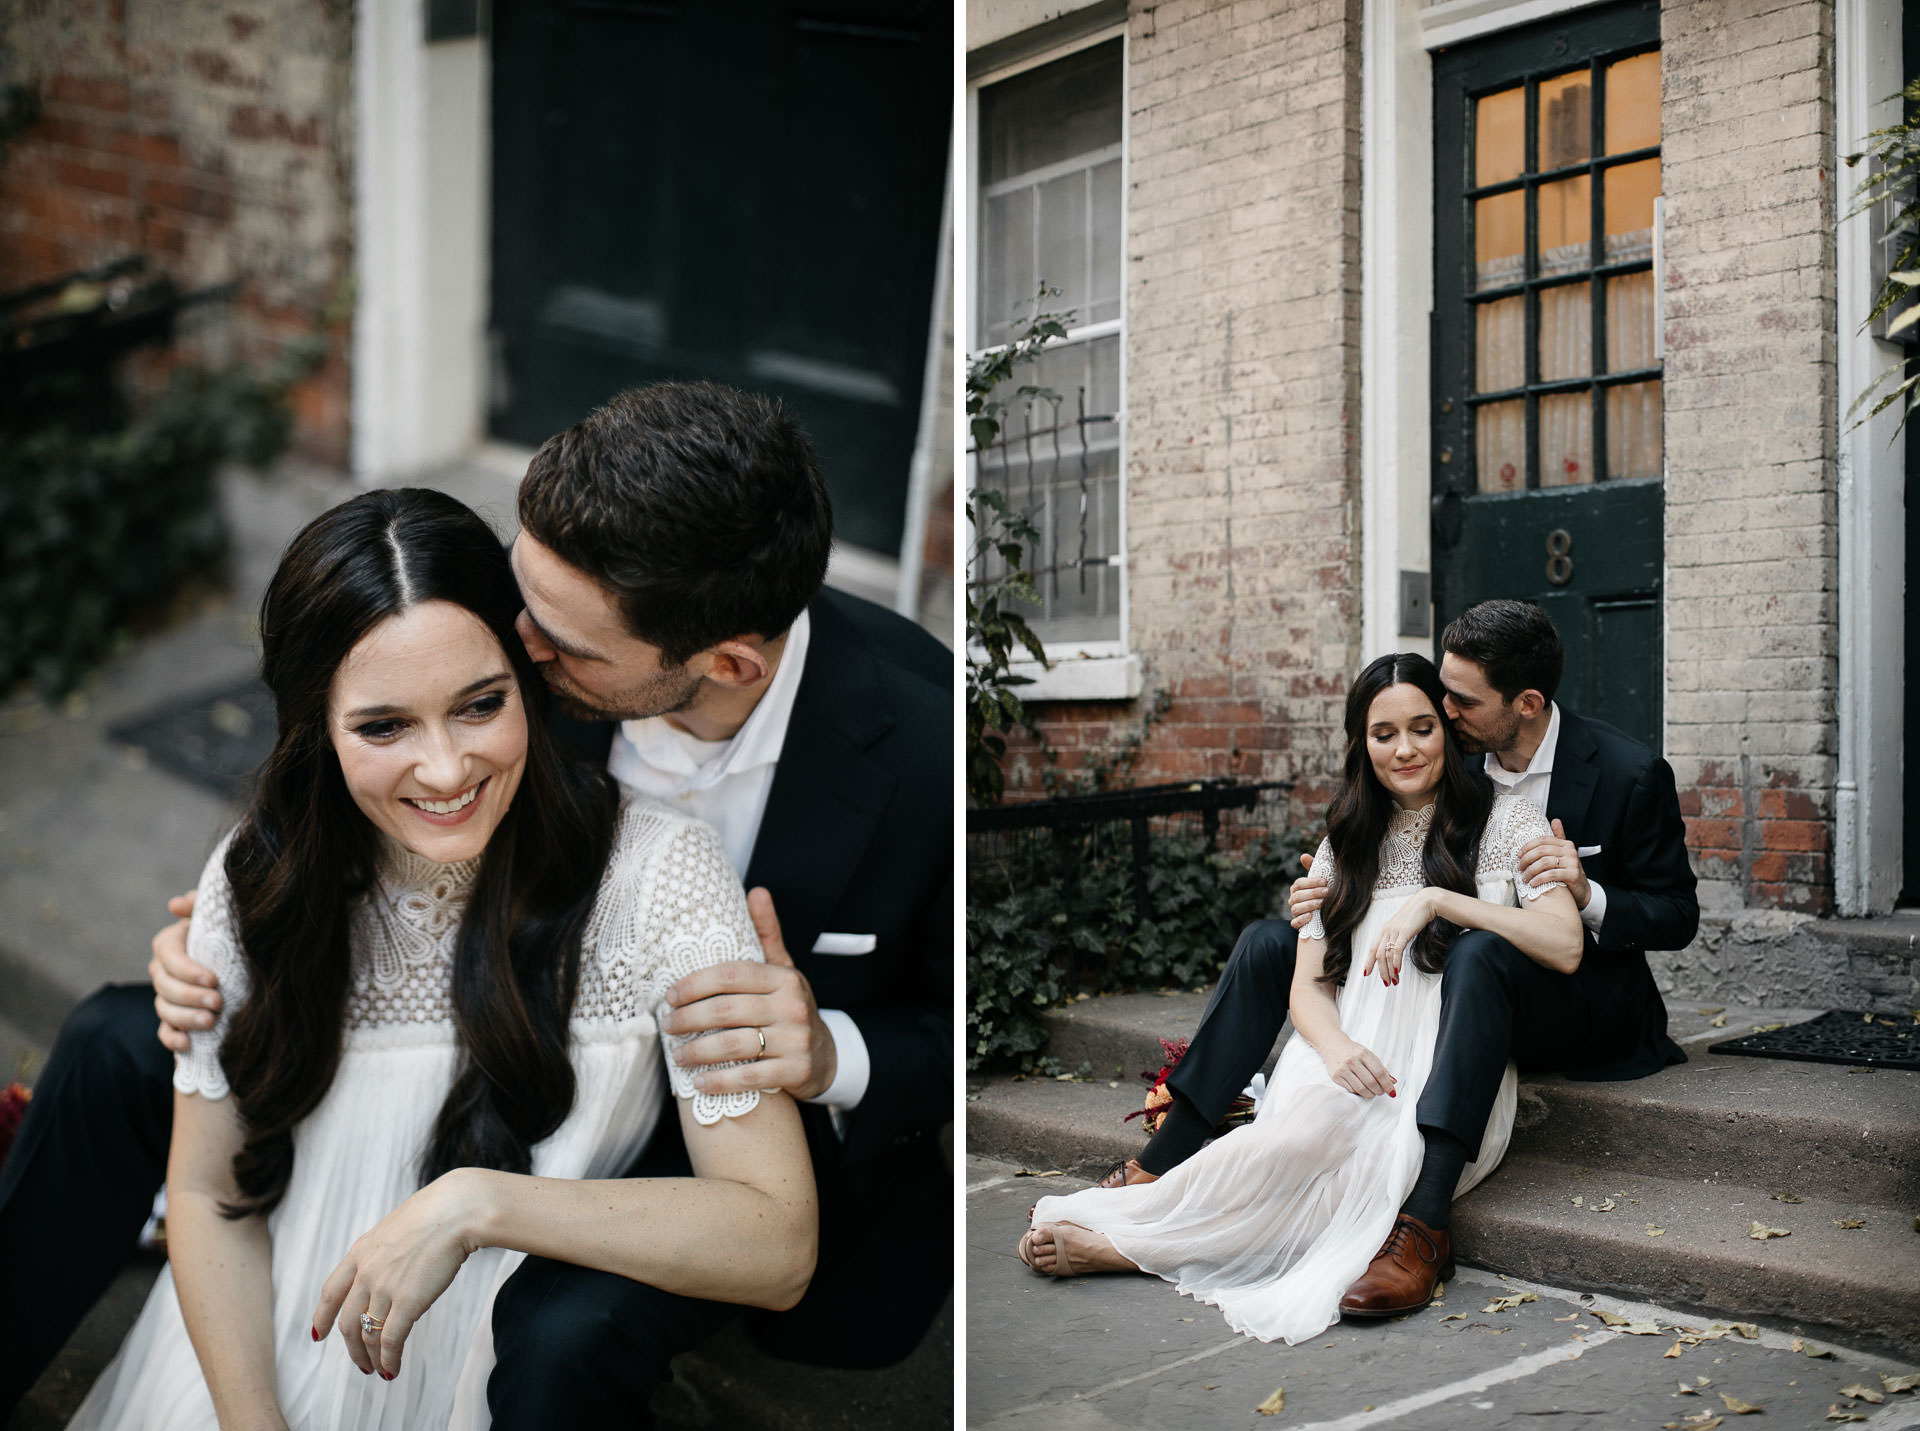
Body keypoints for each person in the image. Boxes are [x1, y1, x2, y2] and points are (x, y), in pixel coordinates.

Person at [0, 383, 952, 1424]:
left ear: (725, 664)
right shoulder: (515, 636)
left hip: (703, 1112)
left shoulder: (924, 750)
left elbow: (970, 1037)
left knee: (559, 1336)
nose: (522, 644)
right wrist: (251, 926)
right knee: (109, 1038)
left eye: (545, 650)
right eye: (519, 608)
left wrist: (832, 1053)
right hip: (470, 1008)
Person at [1095, 599, 1694, 1320]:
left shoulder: (1628, 772)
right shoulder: (1448, 749)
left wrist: (1585, 890)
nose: (1440, 711)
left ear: (1526, 704)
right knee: (1266, 945)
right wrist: (1330, 901)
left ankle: (1424, 1221)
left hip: (1573, 996)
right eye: (1436, 699)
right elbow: (1395, 832)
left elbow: (1675, 916)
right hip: (1430, 981)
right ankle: (1167, 1154)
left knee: (1479, 953)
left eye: (1456, 702)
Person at [1015, 651, 1582, 1344]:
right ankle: (1147, 1203)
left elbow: (1565, 944)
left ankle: (1126, 1248)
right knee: (1281, 1148)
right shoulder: (1346, 841)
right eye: (1383, 733)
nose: (1404, 748)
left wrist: (1444, 900)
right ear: (1360, 742)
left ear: (1449, 730)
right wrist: (1336, 1049)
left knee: (1370, 1173)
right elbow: (1307, 984)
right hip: (1349, 1051)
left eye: (1422, 728)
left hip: (1443, 1073)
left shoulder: (1506, 821)